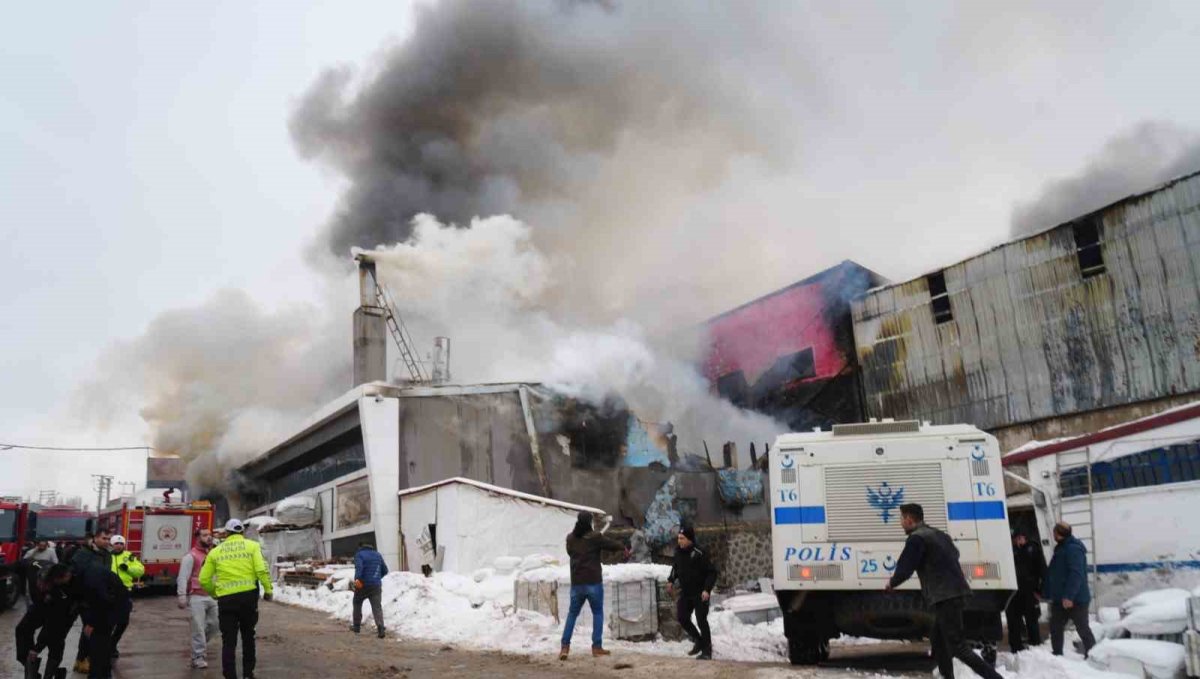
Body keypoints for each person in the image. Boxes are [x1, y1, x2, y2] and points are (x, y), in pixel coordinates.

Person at [885, 503, 1002, 679]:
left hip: (944, 596)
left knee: (958, 646)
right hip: (953, 593)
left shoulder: (917, 539)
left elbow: (906, 567)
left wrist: (892, 583)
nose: (901, 522)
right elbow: (955, 553)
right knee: (938, 640)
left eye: (902, 518)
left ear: (909, 519)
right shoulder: (939, 535)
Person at [199, 518, 273, 679]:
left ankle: (230, 675)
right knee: (248, 636)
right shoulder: (252, 546)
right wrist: (268, 590)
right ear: (242, 532)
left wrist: (214, 593)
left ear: (226, 533)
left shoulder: (215, 552)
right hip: (248, 599)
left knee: (229, 641)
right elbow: (261, 570)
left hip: (226, 600)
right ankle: (248, 674)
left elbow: (203, 579)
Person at [559, 511, 627, 661]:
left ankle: (565, 647)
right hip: (593, 582)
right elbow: (611, 544)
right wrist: (623, 547)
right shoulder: (595, 537)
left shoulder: (570, 538)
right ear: (589, 522)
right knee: (597, 613)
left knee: (572, 614)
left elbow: (571, 553)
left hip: (577, 584)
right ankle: (596, 647)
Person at [1043, 521, 1096, 657]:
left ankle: (1094, 655)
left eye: (1054, 532)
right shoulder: (1061, 548)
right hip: (1061, 599)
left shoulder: (1073, 549)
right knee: (1055, 627)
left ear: (1059, 534)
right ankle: (1057, 654)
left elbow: (1076, 574)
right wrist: (1045, 593)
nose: (1053, 535)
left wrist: (1069, 596)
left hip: (1075, 599)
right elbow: (1054, 573)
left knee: (1082, 628)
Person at [15, 563, 75, 679]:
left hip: (61, 613)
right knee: (22, 629)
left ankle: (50, 674)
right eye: (40, 584)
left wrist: (37, 647)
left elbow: (52, 625)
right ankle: (31, 670)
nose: (42, 586)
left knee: (56, 639)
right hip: (40, 605)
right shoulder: (36, 573)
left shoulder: (62, 593)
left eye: (45, 586)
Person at [667, 525, 718, 661]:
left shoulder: (699, 553)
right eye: (678, 538)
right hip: (686, 592)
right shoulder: (678, 552)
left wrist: (707, 589)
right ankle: (699, 640)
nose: (679, 541)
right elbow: (675, 568)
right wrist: (671, 580)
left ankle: (707, 650)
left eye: (682, 538)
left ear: (689, 539)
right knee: (682, 617)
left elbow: (712, 573)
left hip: (700, 593)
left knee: (701, 620)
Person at [69, 529, 112, 675]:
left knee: (91, 629)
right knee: (90, 629)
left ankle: (82, 659)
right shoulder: (84, 553)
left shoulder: (107, 554)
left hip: (100, 597)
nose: (107, 541)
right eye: (104, 538)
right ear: (95, 538)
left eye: (108, 539)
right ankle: (83, 659)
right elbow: (77, 574)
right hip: (85, 598)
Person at [79, 556, 127, 679]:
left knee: (99, 645)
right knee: (100, 646)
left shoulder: (91, 578)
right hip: (112, 603)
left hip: (114, 605)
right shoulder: (94, 571)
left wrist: (92, 623)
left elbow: (101, 600)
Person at [178, 528, 220, 669]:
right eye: (205, 535)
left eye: (210, 535)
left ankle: (198, 646)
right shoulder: (190, 556)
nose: (209, 538)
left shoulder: (213, 554)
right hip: (197, 596)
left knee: (215, 625)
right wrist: (182, 595)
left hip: (213, 596)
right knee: (198, 628)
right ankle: (198, 656)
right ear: (197, 538)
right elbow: (183, 577)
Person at [1006, 530, 1046, 652]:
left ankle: (1035, 647)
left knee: (1032, 621)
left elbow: (1042, 570)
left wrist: (1040, 591)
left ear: (1025, 538)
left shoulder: (1033, 550)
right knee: (1013, 622)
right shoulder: (1009, 550)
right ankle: (1016, 648)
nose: (1018, 541)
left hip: (1029, 591)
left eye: (1021, 538)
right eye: (1016, 538)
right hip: (1013, 593)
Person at [107, 535, 144, 660]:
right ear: (111, 545)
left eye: (121, 543)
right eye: (116, 543)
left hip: (125, 592)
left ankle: (112, 644)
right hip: (110, 592)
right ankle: (107, 646)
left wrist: (128, 568)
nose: (119, 546)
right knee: (109, 622)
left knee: (123, 622)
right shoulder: (107, 557)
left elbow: (140, 570)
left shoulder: (129, 556)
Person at [350, 542, 389, 638]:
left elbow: (359, 568)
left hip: (363, 585)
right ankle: (380, 628)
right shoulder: (378, 555)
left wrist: (357, 579)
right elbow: (385, 570)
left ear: (361, 547)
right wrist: (376, 578)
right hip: (376, 585)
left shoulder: (359, 554)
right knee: (377, 607)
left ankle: (356, 626)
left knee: (357, 602)